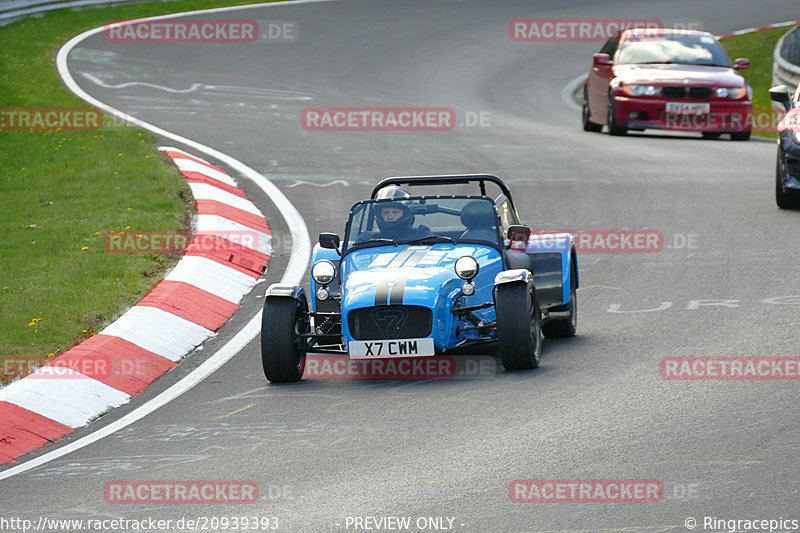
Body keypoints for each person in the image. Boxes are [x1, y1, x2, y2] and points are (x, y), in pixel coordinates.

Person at [366, 186, 431, 241]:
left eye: (395, 212)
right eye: (386, 212)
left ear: (406, 213)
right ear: (379, 214)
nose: (390, 217)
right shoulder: (367, 239)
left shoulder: (422, 235)